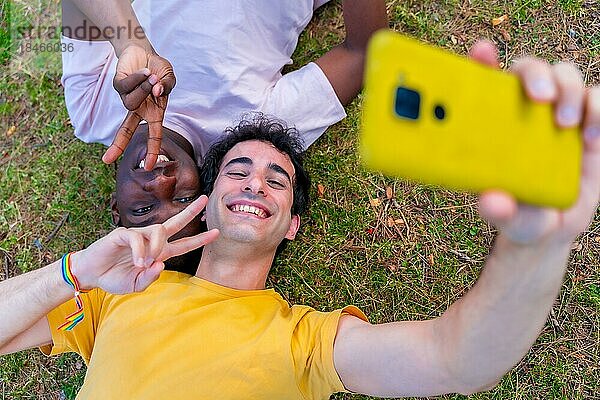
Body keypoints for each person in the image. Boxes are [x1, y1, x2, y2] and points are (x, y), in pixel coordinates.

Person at [1, 44, 599, 398]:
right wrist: (73, 271)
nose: (255, 183)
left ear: (290, 224)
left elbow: (455, 358)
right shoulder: (115, 296)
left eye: (276, 180)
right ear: (207, 198)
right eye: (237, 172)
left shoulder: (304, 339)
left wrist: (537, 245)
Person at [61, 0, 387, 232]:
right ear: (207, 191)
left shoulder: (90, 114)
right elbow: (364, 51)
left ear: (116, 208)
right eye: (183, 199)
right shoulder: (250, 135)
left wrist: (130, 42)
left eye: (143, 209)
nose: (161, 183)